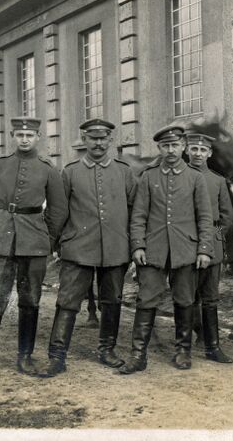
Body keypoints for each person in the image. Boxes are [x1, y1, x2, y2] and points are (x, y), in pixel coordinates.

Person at [0, 117, 68, 383]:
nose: (24, 139)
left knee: (30, 300)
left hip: (33, 244)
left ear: (38, 138)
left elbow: (58, 209)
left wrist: (46, 236)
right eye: (20, 134)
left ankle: (25, 356)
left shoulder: (48, 168)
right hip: (0, 242)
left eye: (30, 135)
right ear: (13, 136)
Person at [44, 118, 136, 377]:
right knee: (67, 302)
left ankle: (107, 350)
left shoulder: (124, 172)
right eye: (92, 138)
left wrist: (132, 241)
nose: (98, 143)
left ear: (110, 141)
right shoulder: (70, 172)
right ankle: (57, 356)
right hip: (78, 248)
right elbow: (58, 211)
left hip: (115, 248)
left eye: (103, 138)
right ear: (84, 141)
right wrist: (54, 244)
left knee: (112, 301)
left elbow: (135, 209)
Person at [119, 125, 215, 373]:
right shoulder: (149, 177)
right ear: (159, 148)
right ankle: (138, 355)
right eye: (165, 146)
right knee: (146, 299)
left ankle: (183, 351)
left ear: (183, 146)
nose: (171, 150)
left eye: (175, 145)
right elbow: (138, 215)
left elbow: (205, 217)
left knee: (184, 300)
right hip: (154, 249)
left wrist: (204, 249)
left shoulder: (195, 178)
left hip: (186, 250)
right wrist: (138, 245)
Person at [185, 132, 233, 363]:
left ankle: (212, 346)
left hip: (211, 246)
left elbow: (226, 216)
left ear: (210, 153)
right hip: (184, 242)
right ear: (186, 150)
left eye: (203, 150)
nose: (198, 154)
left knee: (210, 297)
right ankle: (185, 344)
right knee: (186, 295)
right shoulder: (179, 176)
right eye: (194, 149)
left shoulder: (218, 180)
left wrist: (214, 238)